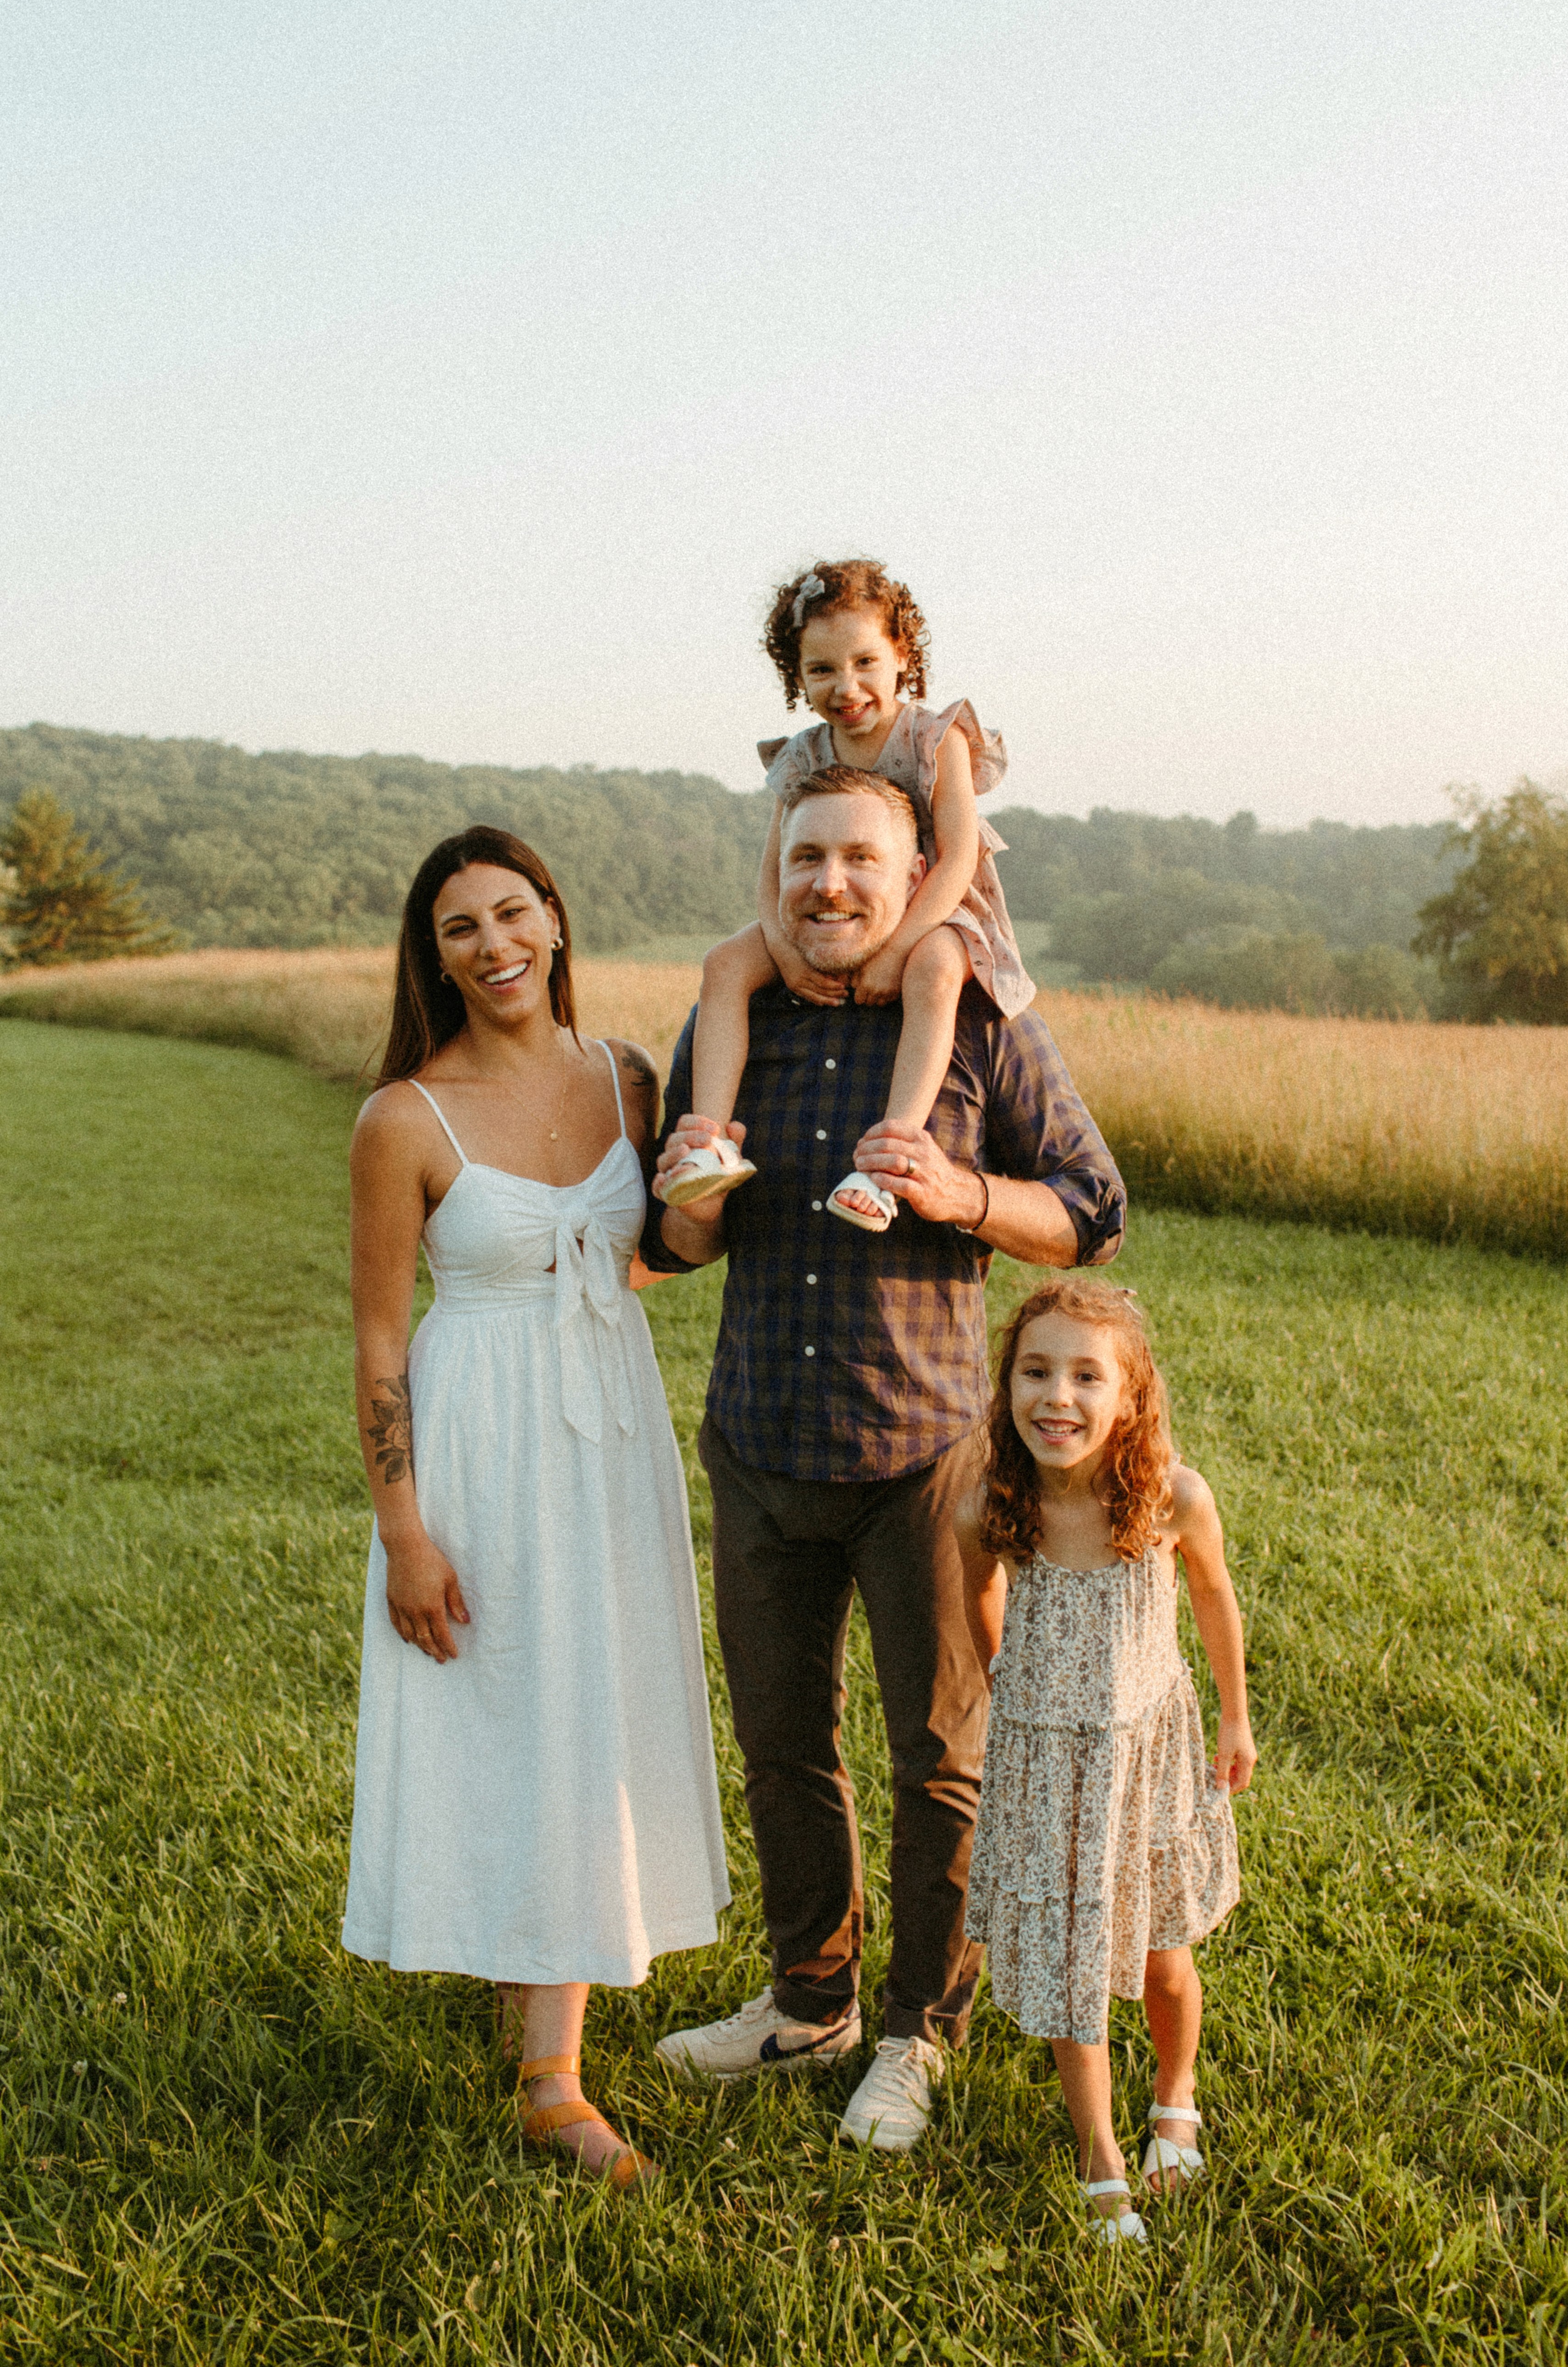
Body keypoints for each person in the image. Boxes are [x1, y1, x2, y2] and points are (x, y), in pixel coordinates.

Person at [645, 765, 1125, 2152]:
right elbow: (682, 1252)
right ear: (775, 870)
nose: (830, 883)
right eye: (806, 857)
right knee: (783, 1743)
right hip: (757, 1447)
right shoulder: (734, 1021)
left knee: (938, 1758)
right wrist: (684, 1189)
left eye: (861, 857)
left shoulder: (975, 1024)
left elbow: (1092, 1209)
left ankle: (919, 2030)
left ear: (919, 872)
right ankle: (810, 2000)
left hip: (922, 1459)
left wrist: (963, 1192)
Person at [342, 824, 729, 2191]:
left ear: (555, 923)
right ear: (432, 957)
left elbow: (651, 1260)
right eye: (461, 928)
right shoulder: (404, 1116)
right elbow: (382, 1339)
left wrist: (699, 1207)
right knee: (509, 1694)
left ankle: (543, 2015)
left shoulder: (625, 1076)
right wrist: (405, 1531)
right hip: (478, 1437)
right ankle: (552, 2077)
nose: (494, 945)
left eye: (513, 914)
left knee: (593, 1696)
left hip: (608, 1427)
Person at [959, 1281, 1254, 2245]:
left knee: (1163, 1956)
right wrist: (1012, 1677)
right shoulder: (993, 1506)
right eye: (1035, 1371)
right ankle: (1100, 2156)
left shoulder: (1172, 1496)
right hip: (1050, 1764)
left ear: (1130, 1396)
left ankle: (1176, 2092)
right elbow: (978, 1600)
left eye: (1088, 1375)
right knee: (1069, 1964)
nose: (1058, 1396)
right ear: (1005, 1386)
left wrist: (1233, 1721)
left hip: (1148, 1754)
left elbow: (1212, 1600)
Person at [660, 557, 1036, 1231]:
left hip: (933, 909)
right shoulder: (804, 754)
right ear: (796, 676)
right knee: (723, 963)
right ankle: (710, 1142)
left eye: (865, 661)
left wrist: (897, 949)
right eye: (821, 670)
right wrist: (784, 951)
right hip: (821, 914)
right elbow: (774, 870)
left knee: (937, 969)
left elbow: (955, 859)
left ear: (902, 656)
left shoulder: (934, 736)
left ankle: (886, 1163)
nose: (846, 685)